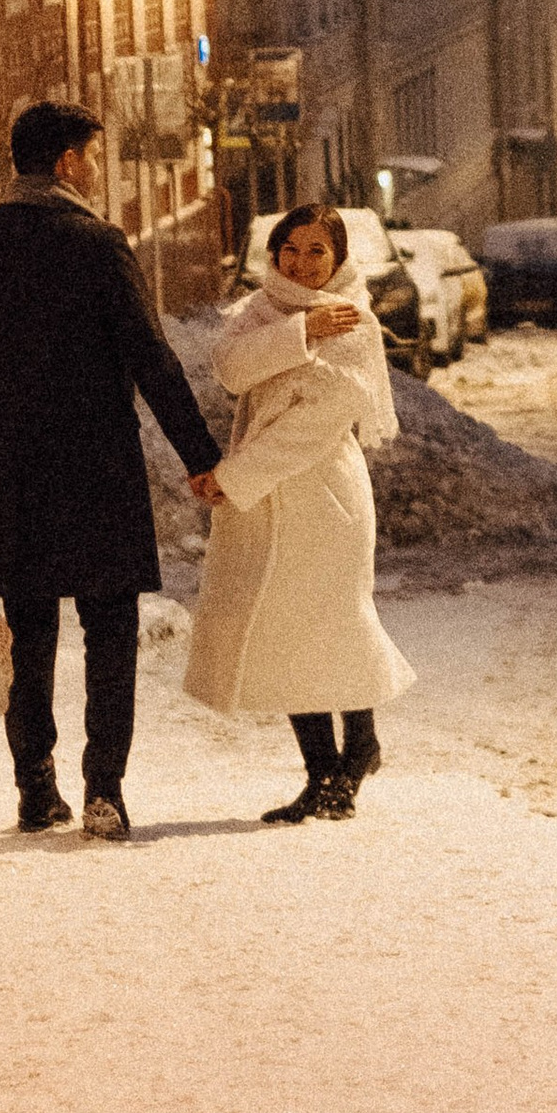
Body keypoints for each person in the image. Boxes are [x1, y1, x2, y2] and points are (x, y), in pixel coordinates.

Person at [0, 100, 221, 840]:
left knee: (28, 630)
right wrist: (200, 457)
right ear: (64, 163)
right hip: (96, 470)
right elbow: (153, 357)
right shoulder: (99, 244)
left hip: (7, 473)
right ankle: (103, 792)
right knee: (109, 628)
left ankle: (34, 788)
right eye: (90, 153)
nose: (95, 166)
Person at [184, 202, 415, 823]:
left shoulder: (353, 319)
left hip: (323, 496)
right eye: (292, 249)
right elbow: (231, 372)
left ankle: (359, 746)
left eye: (318, 251)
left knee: (334, 624)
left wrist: (233, 478)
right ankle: (320, 772)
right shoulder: (260, 311)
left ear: (338, 258)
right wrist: (299, 334)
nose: (303, 264)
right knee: (281, 631)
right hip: (263, 498)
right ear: (273, 253)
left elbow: (316, 423)